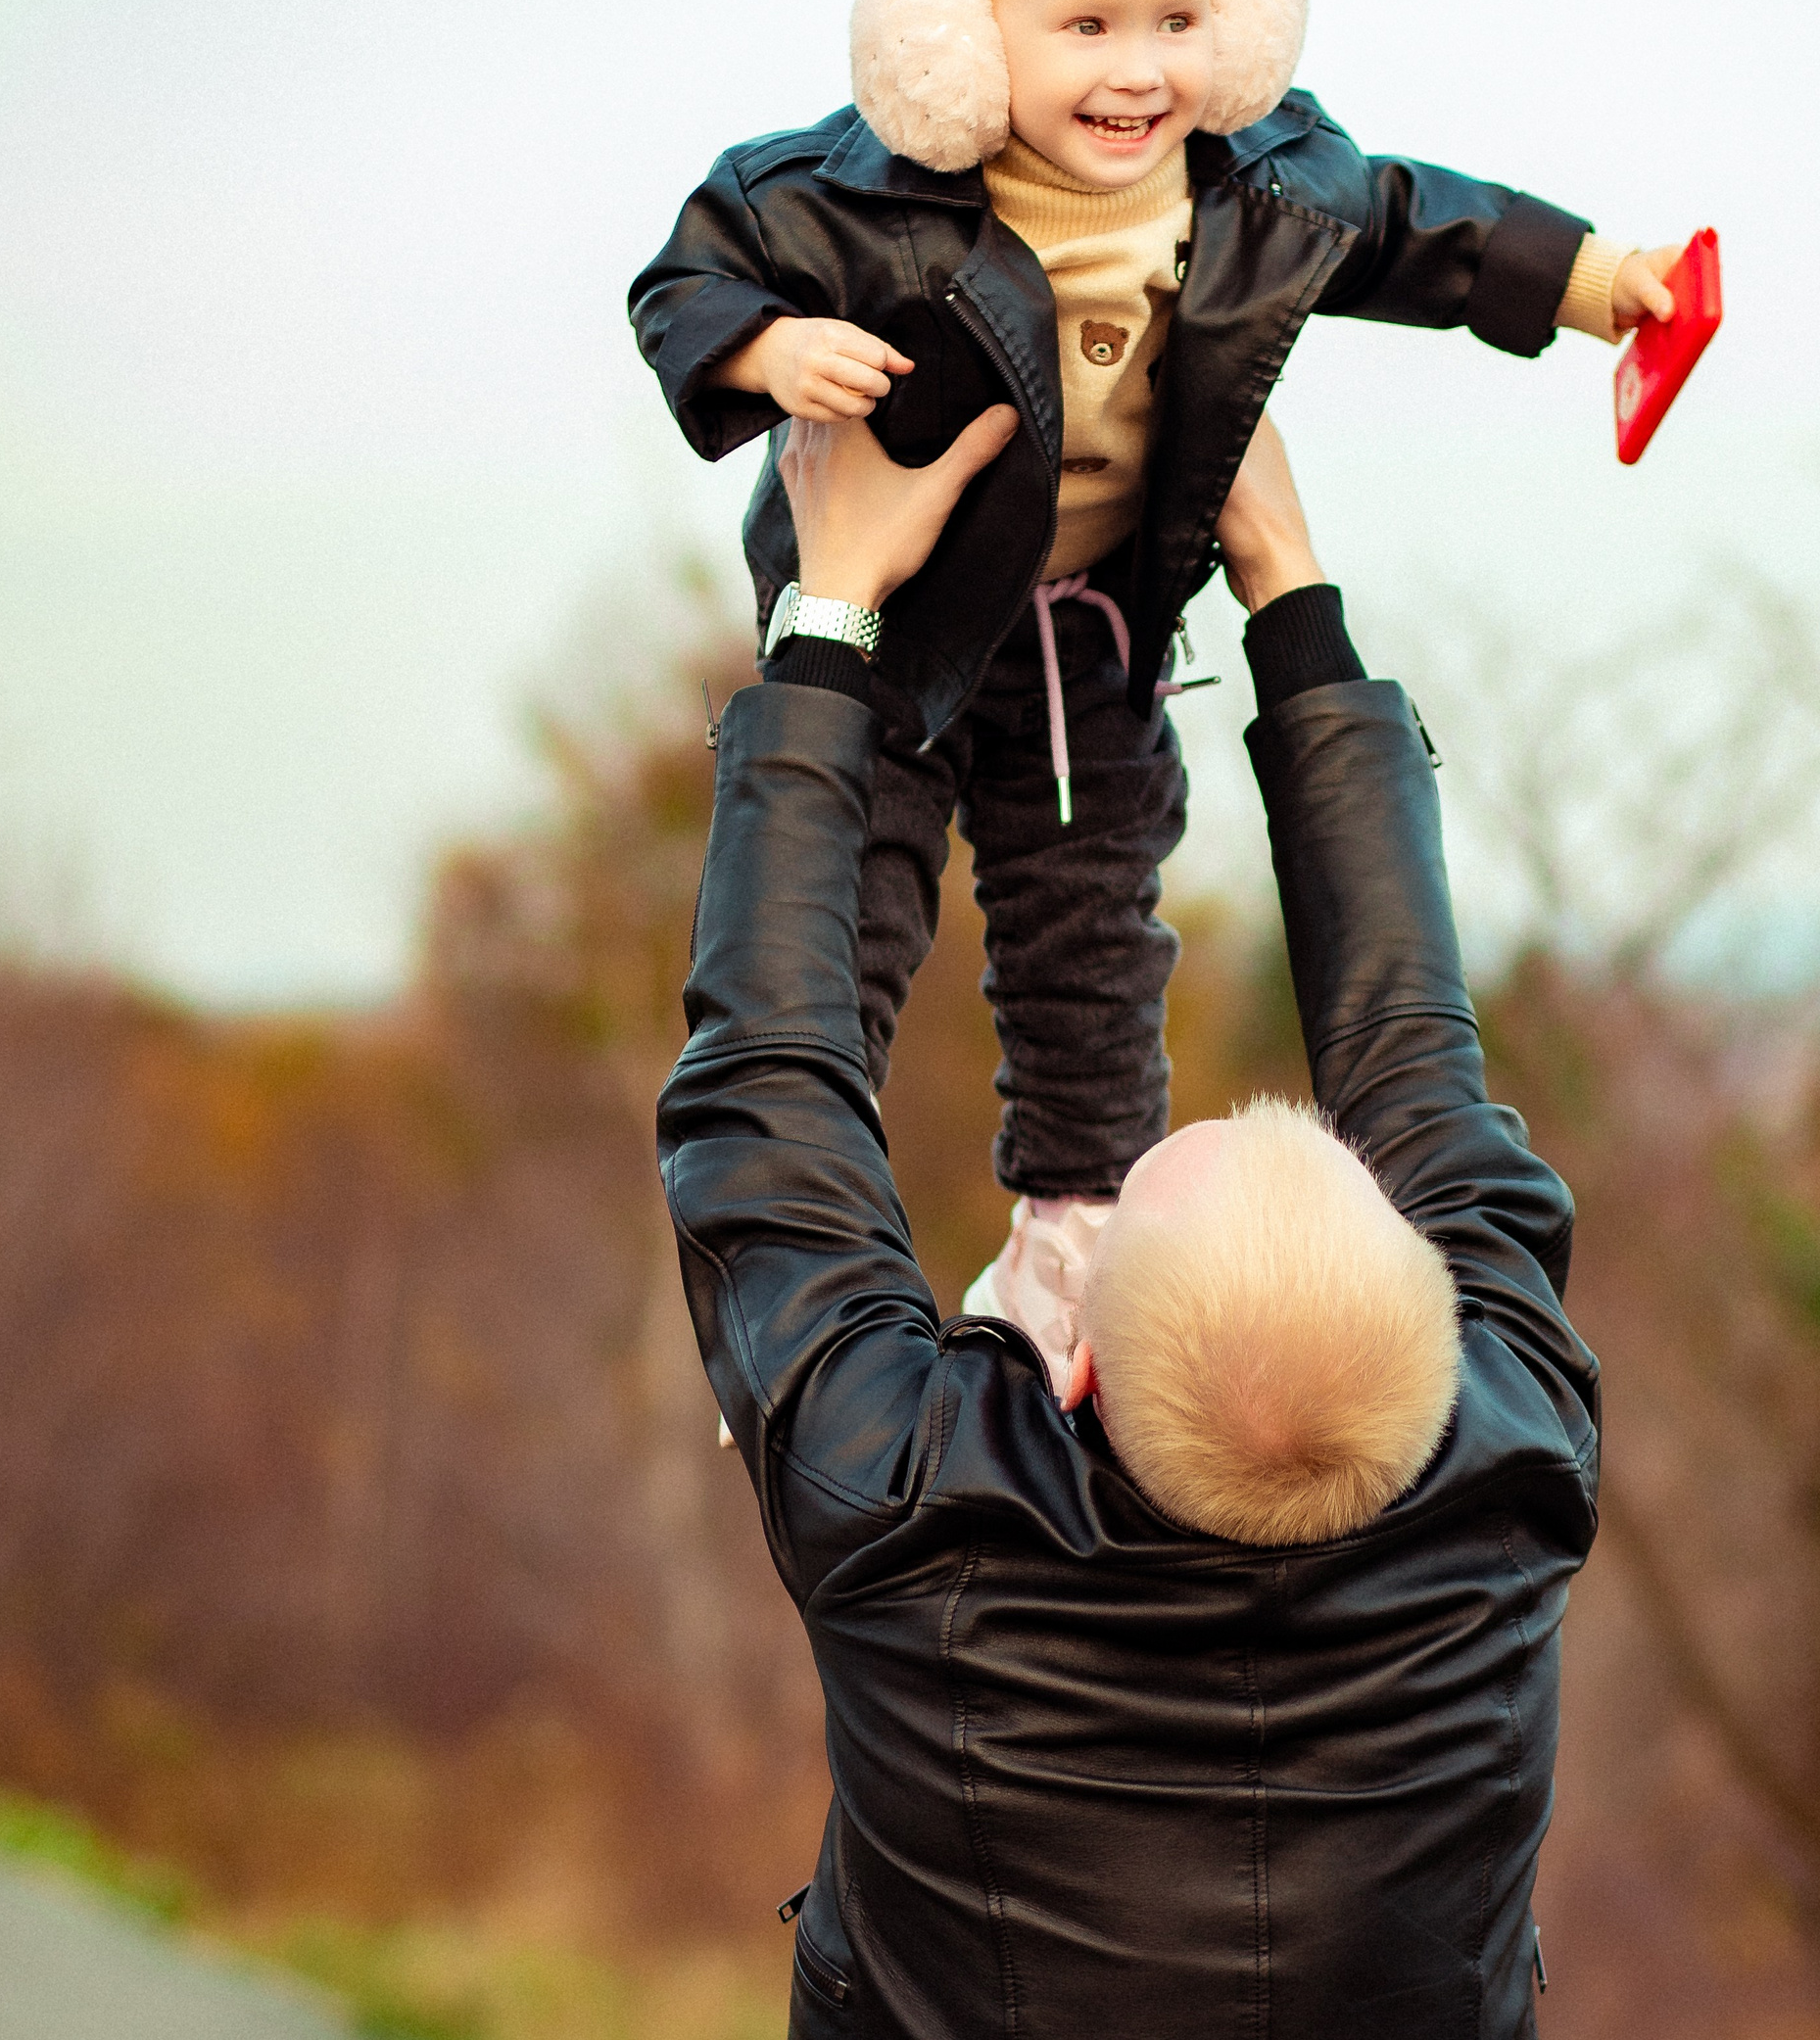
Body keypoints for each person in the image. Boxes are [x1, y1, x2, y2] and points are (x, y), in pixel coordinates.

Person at [630, 0, 1686, 1314]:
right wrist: (768, 350)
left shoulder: (1258, 184)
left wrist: (1605, 284)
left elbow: (1419, 229)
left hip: (1090, 631)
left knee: (1094, 936)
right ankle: (791, 1264)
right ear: (960, 45)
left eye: (1179, 22)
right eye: (1087, 27)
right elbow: (681, 277)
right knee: (848, 918)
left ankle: (1076, 1237)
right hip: (896, 625)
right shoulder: (849, 196)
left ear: (1238, 21)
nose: (1141, 70)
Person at [661, 400, 1602, 2039]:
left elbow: (772, 1094)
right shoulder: (1518, 1476)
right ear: (1438, 1324)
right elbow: (1418, 1062)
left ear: (1069, 1366)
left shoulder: (909, 1510)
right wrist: (1286, 582)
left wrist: (831, 619)